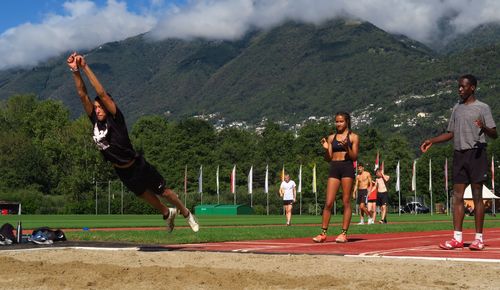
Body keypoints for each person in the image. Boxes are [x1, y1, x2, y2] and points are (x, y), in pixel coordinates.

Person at [67, 52, 199, 233]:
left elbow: (101, 93)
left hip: (137, 165)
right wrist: (75, 71)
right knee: (144, 196)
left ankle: (186, 213)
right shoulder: (95, 121)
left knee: (165, 192)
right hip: (122, 171)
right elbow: (83, 95)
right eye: (95, 107)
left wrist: (85, 67)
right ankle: (168, 214)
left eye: (100, 107)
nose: (97, 110)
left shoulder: (115, 118)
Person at [420, 74, 497, 251]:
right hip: (459, 154)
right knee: (457, 197)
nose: (460, 89)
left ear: (473, 88)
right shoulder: (457, 108)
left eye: (463, 86)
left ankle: (479, 238)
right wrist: (432, 140)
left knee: (478, 197)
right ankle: (457, 238)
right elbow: (450, 133)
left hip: (477, 153)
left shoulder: (482, 108)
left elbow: (494, 134)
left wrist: (483, 127)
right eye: (459, 87)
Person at [313, 112, 359, 243]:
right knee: (328, 202)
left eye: (341, 121)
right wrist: (326, 148)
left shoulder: (354, 137)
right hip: (334, 167)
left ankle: (343, 233)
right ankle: (323, 233)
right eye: (336, 121)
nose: (338, 124)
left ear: (347, 122)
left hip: (347, 167)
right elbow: (328, 158)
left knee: (345, 201)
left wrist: (346, 147)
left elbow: (354, 157)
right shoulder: (331, 137)